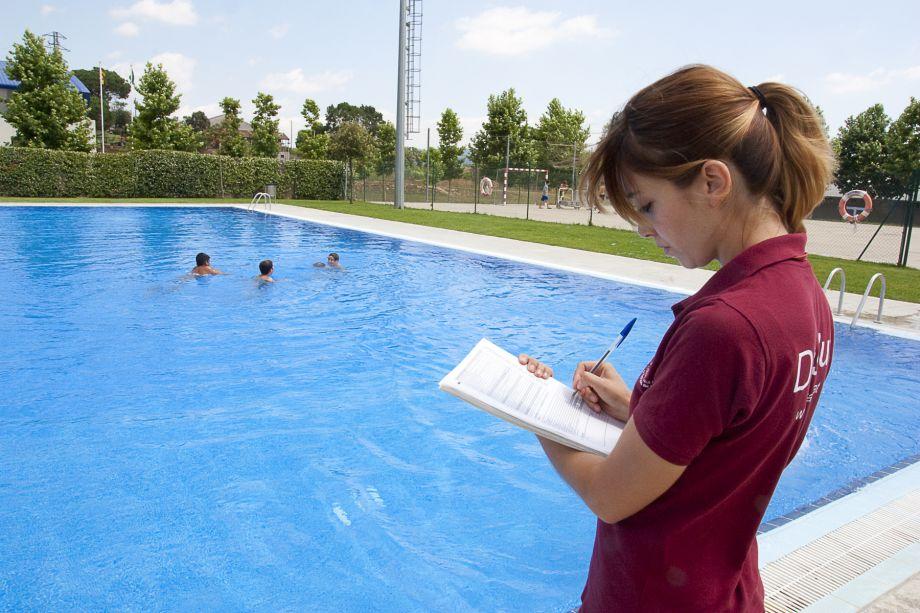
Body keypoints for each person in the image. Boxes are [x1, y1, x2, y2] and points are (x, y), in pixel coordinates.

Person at [517, 65, 836, 611]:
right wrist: (635, 407)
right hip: (723, 588)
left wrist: (537, 416)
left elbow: (611, 496)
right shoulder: (804, 296)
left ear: (713, 181)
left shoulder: (723, 327)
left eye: (647, 205)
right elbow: (735, 447)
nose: (643, 228)